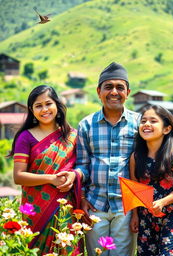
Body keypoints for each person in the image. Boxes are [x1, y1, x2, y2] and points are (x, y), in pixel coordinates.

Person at [75, 62, 139, 256]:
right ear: (98, 91)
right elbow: (82, 164)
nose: (114, 92)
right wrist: (83, 199)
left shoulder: (140, 123)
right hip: (95, 206)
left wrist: (137, 208)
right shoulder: (86, 124)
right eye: (108, 87)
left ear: (127, 92)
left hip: (126, 208)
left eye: (120, 87)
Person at [10, 85, 82, 255]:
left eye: (48, 103)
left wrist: (74, 175)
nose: (44, 109)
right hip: (35, 211)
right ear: (31, 110)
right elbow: (18, 176)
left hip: (66, 209)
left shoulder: (72, 136)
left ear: (57, 105)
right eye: (38, 105)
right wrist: (51, 179)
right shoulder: (25, 137)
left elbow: (82, 168)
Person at [129, 104, 173, 256]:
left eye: (153, 121)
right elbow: (134, 190)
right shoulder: (135, 157)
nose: (146, 124)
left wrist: (162, 202)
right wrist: (134, 215)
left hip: (171, 216)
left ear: (166, 129)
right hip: (145, 218)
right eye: (143, 121)